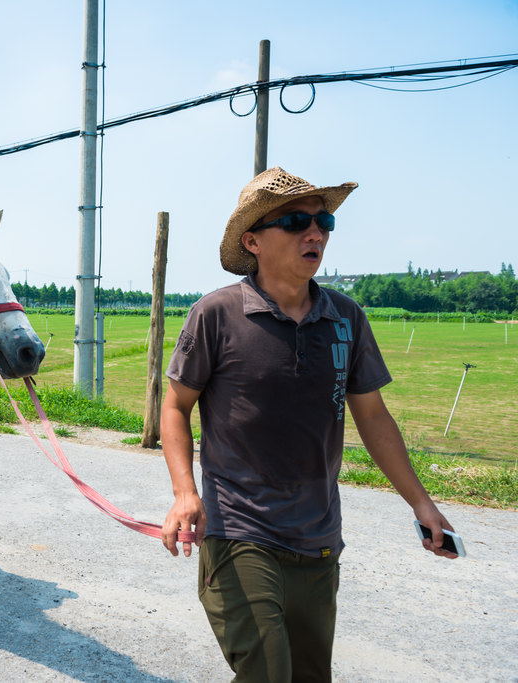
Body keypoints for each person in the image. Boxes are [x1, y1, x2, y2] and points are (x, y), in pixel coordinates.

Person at [159, 167, 458, 682]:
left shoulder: (346, 318)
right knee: (269, 674)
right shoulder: (217, 314)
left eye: (323, 223)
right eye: (296, 221)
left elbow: (374, 418)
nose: (314, 232)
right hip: (239, 532)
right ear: (252, 240)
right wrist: (186, 492)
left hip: (319, 541)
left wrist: (421, 502)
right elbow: (174, 406)